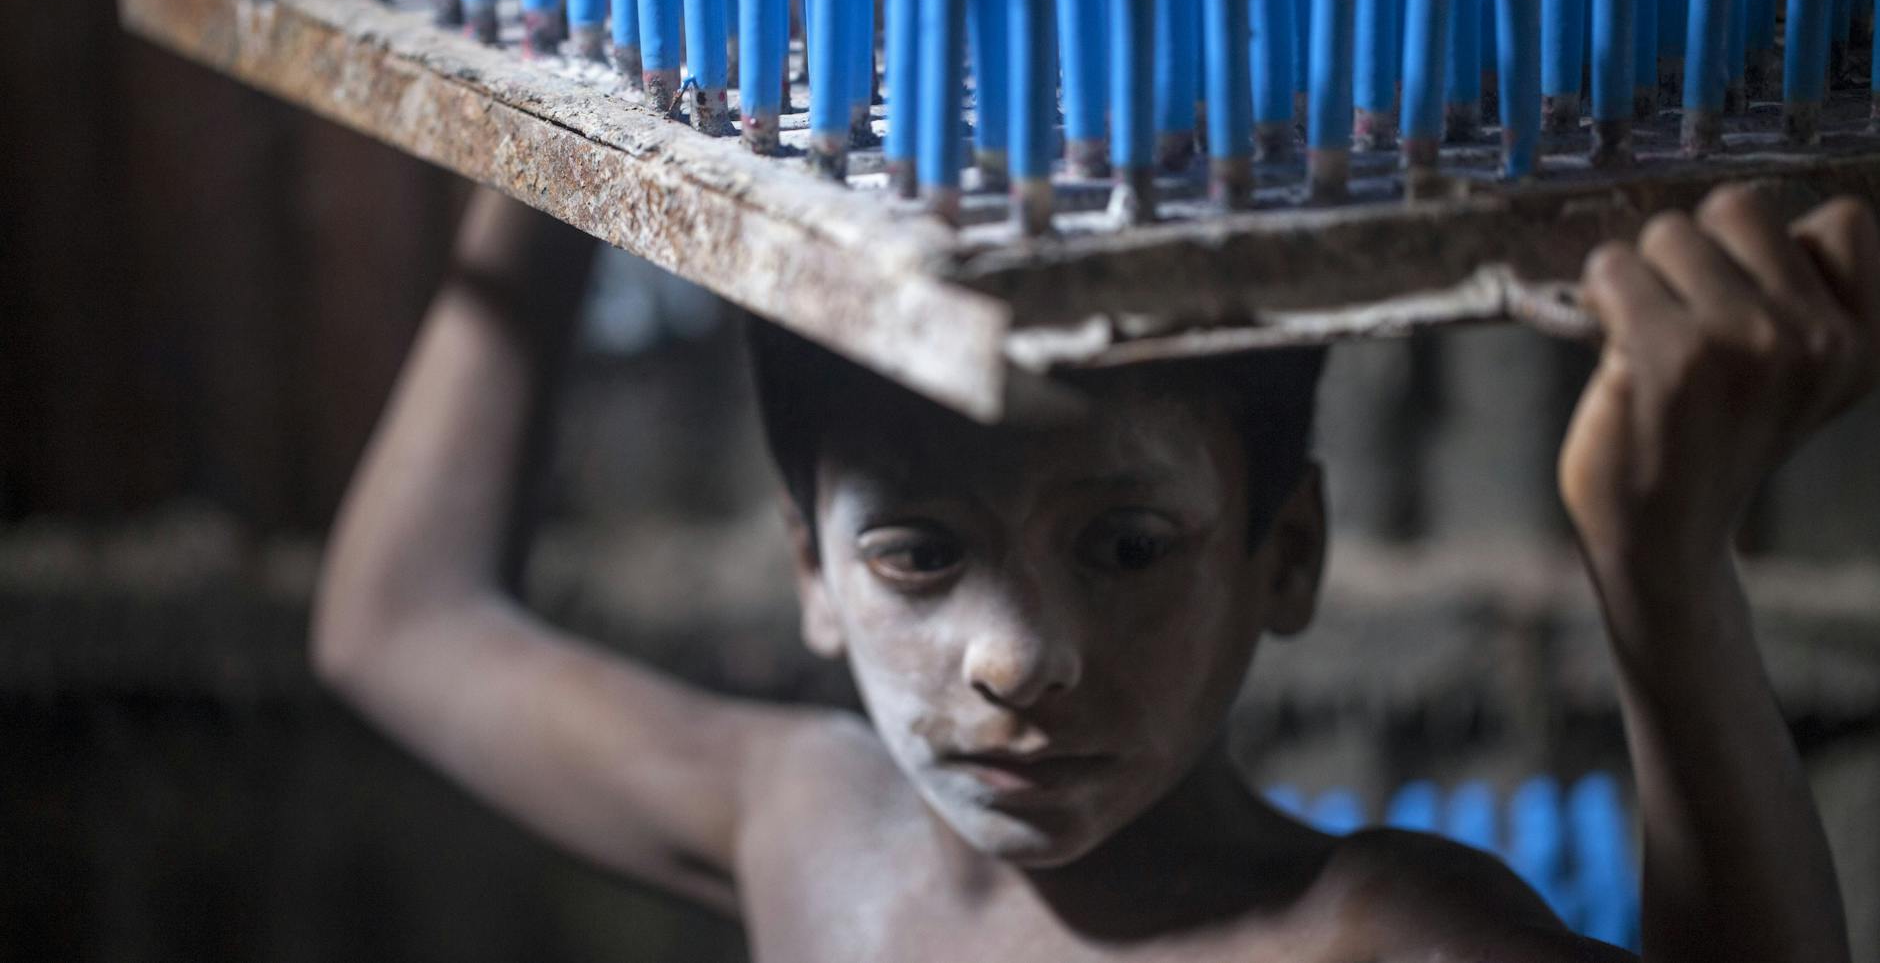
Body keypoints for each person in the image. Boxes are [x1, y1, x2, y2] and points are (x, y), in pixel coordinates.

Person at [311, 181, 1876, 962]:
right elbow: (397, 622)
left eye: (1127, 545)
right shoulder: (819, 838)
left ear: (1286, 552)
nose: (1016, 656)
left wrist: (1664, 571)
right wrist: (556, 136)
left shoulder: (1375, 936)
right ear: (810, 566)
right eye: (918, 554)